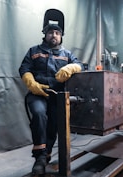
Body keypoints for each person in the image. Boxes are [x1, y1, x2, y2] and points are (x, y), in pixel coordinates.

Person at [18, 11, 83, 175]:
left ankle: (46, 155)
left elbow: (80, 65)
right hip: (38, 93)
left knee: (53, 125)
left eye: (57, 32)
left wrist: (71, 67)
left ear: (61, 36)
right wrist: (30, 82)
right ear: (45, 34)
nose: (53, 35)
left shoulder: (67, 55)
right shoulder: (34, 50)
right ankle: (39, 157)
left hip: (57, 96)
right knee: (39, 115)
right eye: (50, 32)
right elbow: (24, 68)